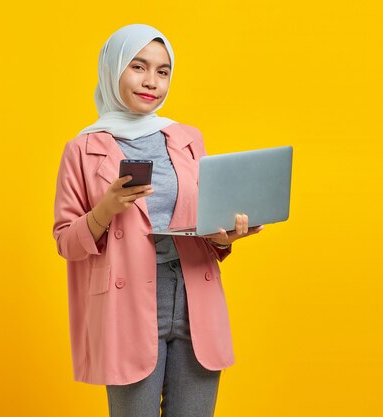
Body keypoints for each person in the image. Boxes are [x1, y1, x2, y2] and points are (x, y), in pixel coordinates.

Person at [52, 23, 264, 417]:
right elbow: (66, 241)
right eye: (138, 66)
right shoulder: (82, 149)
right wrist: (105, 209)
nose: (151, 81)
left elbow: (203, 224)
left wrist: (225, 237)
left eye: (162, 71)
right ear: (112, 69)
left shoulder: (186, 137)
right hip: (126, 301)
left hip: (193, 296)